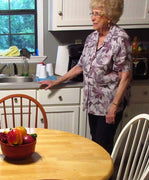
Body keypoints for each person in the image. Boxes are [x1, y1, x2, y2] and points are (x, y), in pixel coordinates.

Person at [40, 0, 132, 153]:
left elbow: (126, 75)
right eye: (92, 13)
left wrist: (114, 106)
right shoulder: (91, 38)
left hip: (109, 103)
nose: (92, 18)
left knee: (103, 145)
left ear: (109, 16)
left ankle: (107, 176)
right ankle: (100, 174)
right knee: (95, 141)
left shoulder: (120, 38)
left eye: (97, 14)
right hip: (93, 102)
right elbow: (79, 66)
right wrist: (56, 81)